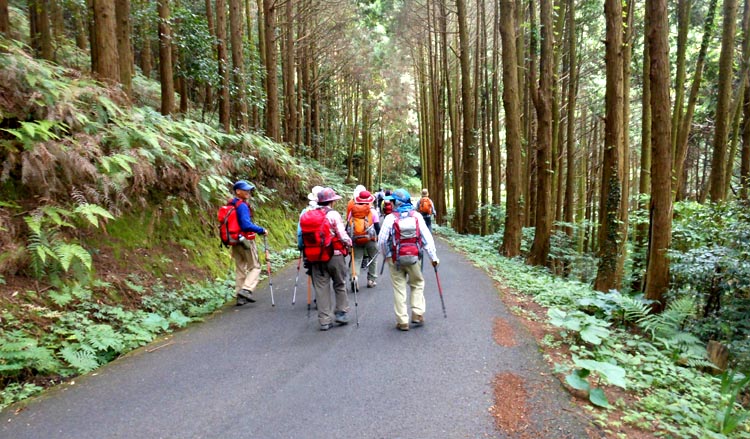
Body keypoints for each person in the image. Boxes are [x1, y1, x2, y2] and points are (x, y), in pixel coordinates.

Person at [378, 188, 439, 331]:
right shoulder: (416, 216)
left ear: (397, 202)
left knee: (399, 288)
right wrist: (433, 258)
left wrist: (387, 255)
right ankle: (417, 313)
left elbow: (382, 241)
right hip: (414, 257)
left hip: (395, 258)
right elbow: (427, 239)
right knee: (417, 283)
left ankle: (402, 321)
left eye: (393, 201)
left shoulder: (390, 218)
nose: (391, 203)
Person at [298, 188, 353, 331]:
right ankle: (341, 312)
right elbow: (342, 234)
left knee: (321, 288)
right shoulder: (333, 214)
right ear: (332, 201)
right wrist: (349, 243)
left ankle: (324, 321)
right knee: (339, 283)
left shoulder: (308, 215)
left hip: (315, 257)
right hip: (334, 255)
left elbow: (302, 236)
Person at [230, 180, 268, 306]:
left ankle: (240, 296)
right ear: (237, 191)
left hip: (235, 239)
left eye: (248, 190)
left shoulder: (231, 204)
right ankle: (246, 290)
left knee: (240, 268)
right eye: (245, 190)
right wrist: (261, 230)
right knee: (255, 267)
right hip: (246, 240)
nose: (248, 192)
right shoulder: (242, 206)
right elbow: (246, 225)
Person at [347, 190, 380, 289]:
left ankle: (354, 277)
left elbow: (348, 225)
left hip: (356, 239)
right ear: (370, 200)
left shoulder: (353, 211)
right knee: (373, 258)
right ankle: (371, 280)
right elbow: (377, 227)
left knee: (356, 259)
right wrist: (378, 238)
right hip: (370, 239)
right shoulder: (373, 211)